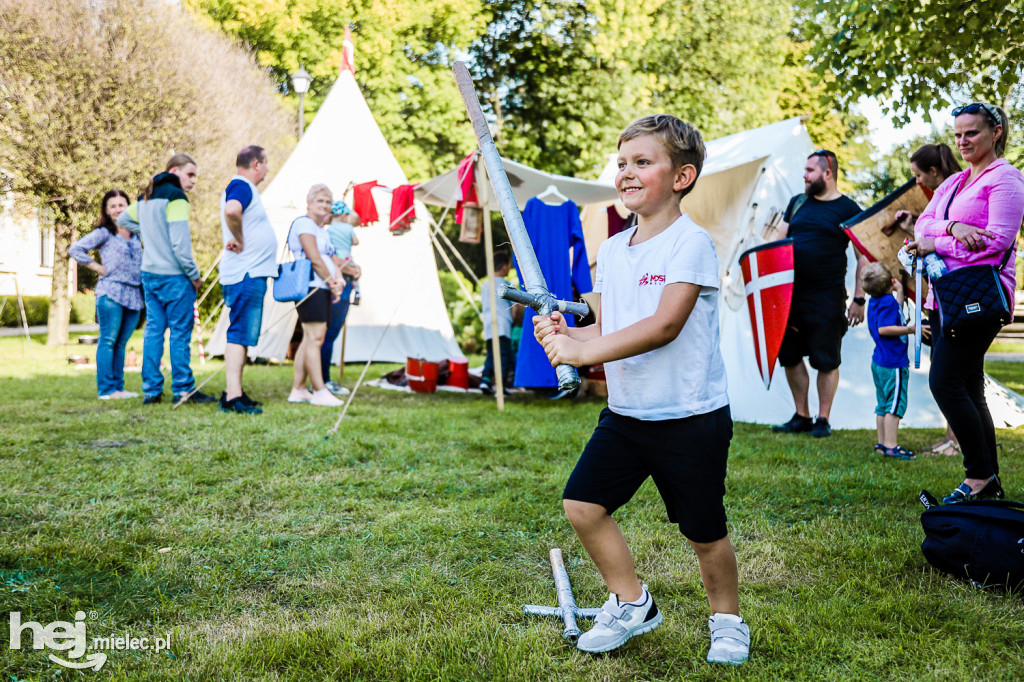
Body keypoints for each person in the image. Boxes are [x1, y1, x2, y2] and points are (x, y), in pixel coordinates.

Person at [533, 115, 749, 664]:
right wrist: (567, 334)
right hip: (628, 414)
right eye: (623, 162)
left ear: (682, 176)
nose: (626, 173)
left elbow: (662, 326)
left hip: (690, 416)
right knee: (582, 505)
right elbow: (605, 327)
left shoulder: (691, 244)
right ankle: (632, 604)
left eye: (642, 162)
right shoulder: (612, 249)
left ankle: (727, 620)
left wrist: (583, 352)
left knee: (703, 532)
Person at [908, 102, 1024, 504]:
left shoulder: (1006, 179)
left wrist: (936, 242)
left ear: (995, 132)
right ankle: (988, 482)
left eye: (971, 133)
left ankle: (977, 475)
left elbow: (995, 243)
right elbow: (923, 224)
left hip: (980, 296)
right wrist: (955, 227)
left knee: (945, 381)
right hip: (945, 297)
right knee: (971, 386)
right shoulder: (954, 183)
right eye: (958, 134)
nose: (963, 141)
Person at [771, 149, 867, 438]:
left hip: (827, 296)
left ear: (827, 173)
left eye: (810, 170)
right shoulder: (797, 203)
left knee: (826, 359)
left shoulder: (849, 209)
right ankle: (802, 415)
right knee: (788, 356)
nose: (804, 175)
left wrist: (859, 299)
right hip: (790, 297)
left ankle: (823, 419)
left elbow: (864, 255)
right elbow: (777, 245)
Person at [118, 153, 216, 406]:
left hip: (149, 275)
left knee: (153, 332)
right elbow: (181, 246)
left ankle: (151, 391)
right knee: (180, 335)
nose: (194, 181)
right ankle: (183, 390)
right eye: (190, 174)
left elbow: (123, 219)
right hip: (174, 276)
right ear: (174, 171)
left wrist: (151, 234)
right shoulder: (176, 198)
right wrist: (195, 276)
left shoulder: (146, 197)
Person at [894, 143, 962, 456]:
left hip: (959, 292)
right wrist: (913, 229)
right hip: (942, 295)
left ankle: (958, 440)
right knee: (949, 372)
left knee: (955, 375)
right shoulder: (943, 194)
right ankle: (953, 437)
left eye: (919, 175)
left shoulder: (958, 193)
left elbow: (950, 239)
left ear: (934, 171)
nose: (918, 182)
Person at [69, 189, 142, 400]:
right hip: (111, 292)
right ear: (107, 211)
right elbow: (76, 249)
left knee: (121, 343)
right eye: (113, 206)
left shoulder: (136, 233)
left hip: (133, 293)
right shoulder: (104, 233)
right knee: (108, 340)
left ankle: (119, 388)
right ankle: (106, 390)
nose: (118, 209)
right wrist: (97, 267)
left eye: (122, 204)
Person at [218, 145, 275, 415]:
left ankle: (235, 391)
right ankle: (232, 397)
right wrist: (239, 239)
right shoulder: (241, 185)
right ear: (255, 164)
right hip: (246, 273)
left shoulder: (241, 187)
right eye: (265, 164)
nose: (266, 170)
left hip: (247, 272)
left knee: (242, 334)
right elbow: (232, 211)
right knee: (239, 333)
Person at [286, 184, 347, 407]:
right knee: (316, 338)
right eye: (320, 201)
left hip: (323, 287)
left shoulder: (322, 230)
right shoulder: (304, 224)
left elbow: (332, 259)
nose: (325, 205)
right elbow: (314, 257)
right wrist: (332, 282)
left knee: (309, 338)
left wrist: (338, 280)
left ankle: (298, 389)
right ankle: (320, 390)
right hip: (311, 286)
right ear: (309, 203)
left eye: (328, 202)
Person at [862, 262, 916, 460]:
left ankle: (882, 444)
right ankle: (892, 446)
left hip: (880, 361)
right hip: (893, 363)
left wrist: (900, 292)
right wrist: (910, 329)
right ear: (890, 282)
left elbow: (896, 314)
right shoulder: (886, 302)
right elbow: (885, 329)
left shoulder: (877, 301)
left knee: (883, 405)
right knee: (894, 406)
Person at [321, 201, 362, 395]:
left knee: (326, 334)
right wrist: (351, 270)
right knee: (329, 333)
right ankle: (322, 380)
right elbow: (334, 258)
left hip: (338, 279)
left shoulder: (328, 231)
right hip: (338, 283)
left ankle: (321, 379)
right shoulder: (344, 229)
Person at [480, 252, 515, 395]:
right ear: (505, 266)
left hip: (489, 324)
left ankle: (485, 380)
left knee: (491, 354)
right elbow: (515, 306)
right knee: (503, 356)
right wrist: (513, 320)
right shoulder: (507, 284)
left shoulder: (485, 284)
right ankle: (500, 387)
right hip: (503, 324)